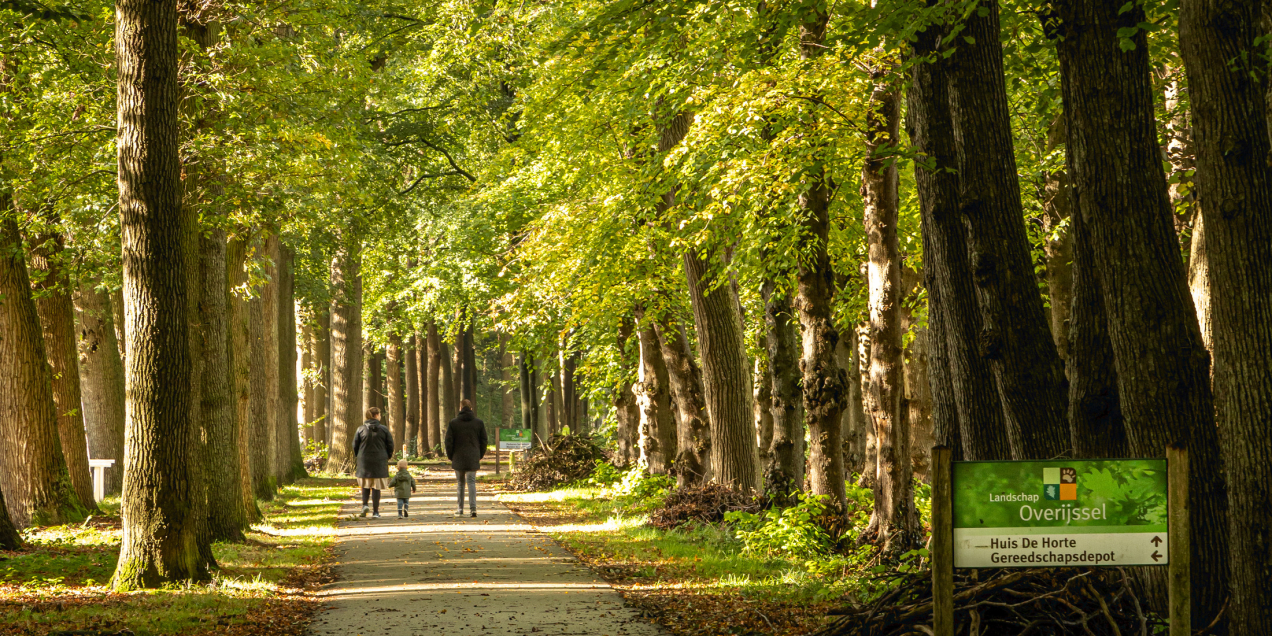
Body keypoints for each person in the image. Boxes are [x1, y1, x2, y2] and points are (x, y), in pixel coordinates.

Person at [444, 398, 487, 517]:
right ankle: (473, 509)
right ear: (471, 408)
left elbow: (448, 442)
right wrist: (480, 454)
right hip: (473, 456)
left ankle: (460, 509)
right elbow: (484, 441)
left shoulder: (453, 423)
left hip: (458, 456)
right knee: (471, 482)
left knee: (460, 483)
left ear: (460, 408)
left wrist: (451, 456)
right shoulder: (478, 423)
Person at [352, 407, 395, 518]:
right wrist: (387, 456)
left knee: (365, 485)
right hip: (379, 461)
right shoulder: (384, 429)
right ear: (376, 415)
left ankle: (365, 505)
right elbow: (390, 445)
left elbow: (355, 445)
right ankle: (375, 512)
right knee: (376, 487)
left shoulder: (360, 429)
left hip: (364, 461)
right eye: (379, 414)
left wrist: (359, 456)